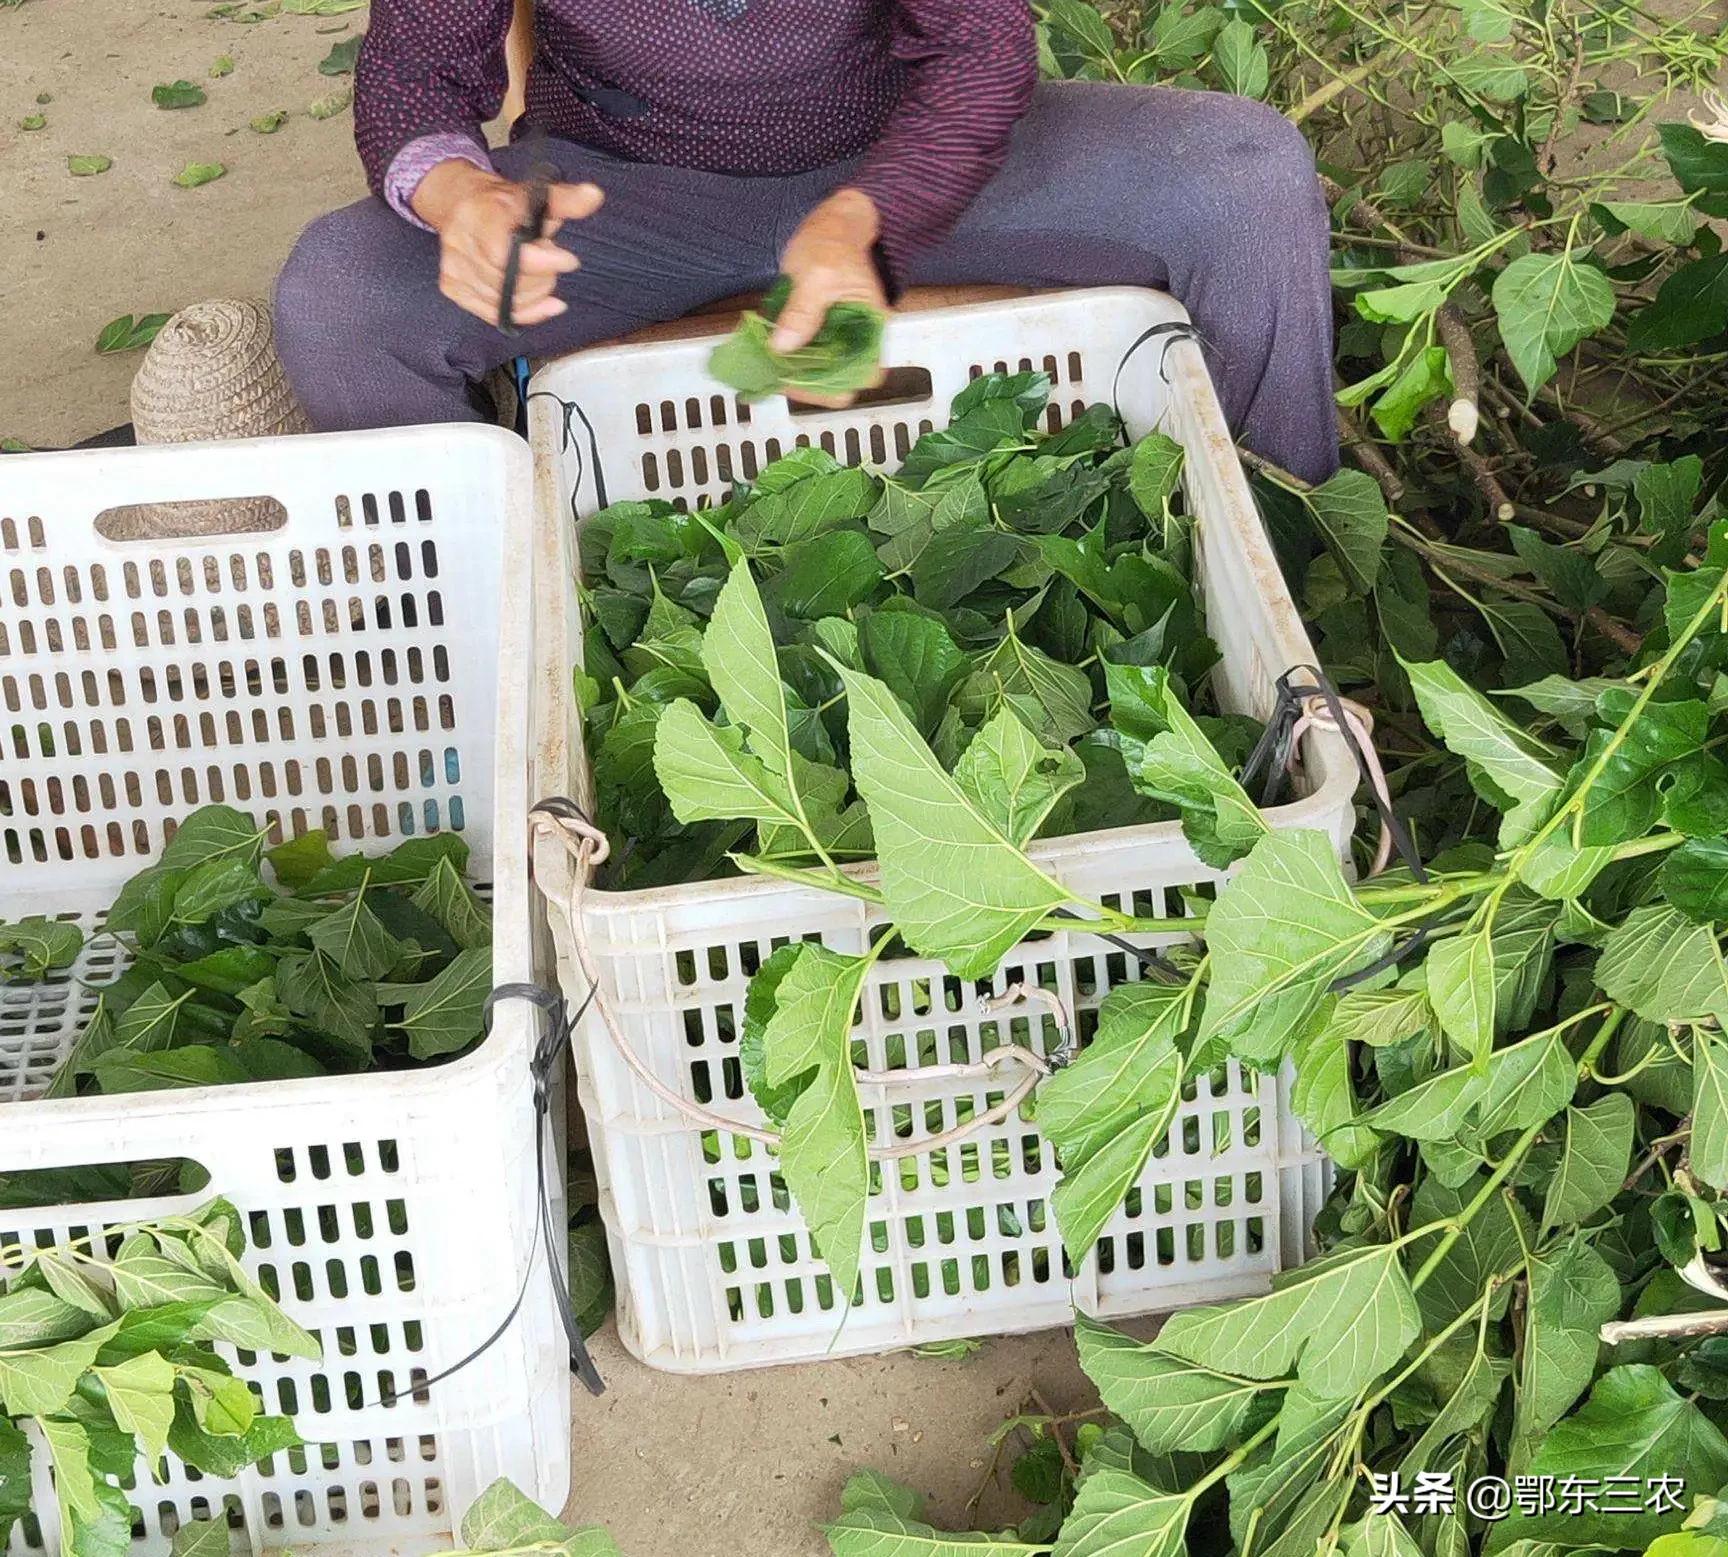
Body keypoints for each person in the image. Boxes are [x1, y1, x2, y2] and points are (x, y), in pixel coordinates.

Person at [273, 0, 1339, 483]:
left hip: (906, 168)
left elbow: (976, 54)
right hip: (621, 197)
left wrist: (868, 215)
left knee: (1240, 180)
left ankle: (1286, 590)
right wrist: (461, 196)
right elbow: (415, 70)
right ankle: (482, 649)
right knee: (342, 295)